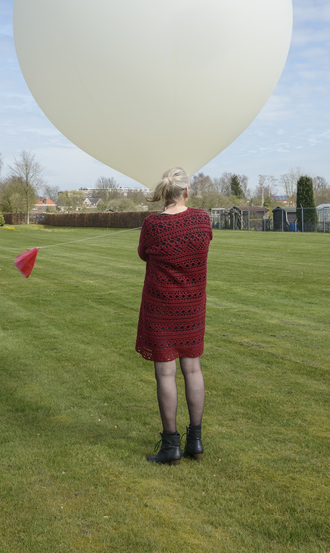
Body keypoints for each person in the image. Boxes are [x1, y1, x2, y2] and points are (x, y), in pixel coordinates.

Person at [136, 166, 212, 465]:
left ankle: (171, 446)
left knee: (165, 372)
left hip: (161, 307)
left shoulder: (152, 224)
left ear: (164, 194)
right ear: (186, 192)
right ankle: (195, 439)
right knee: (193, 369)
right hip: (192, 306)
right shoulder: (202, 219)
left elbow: (143, 254)